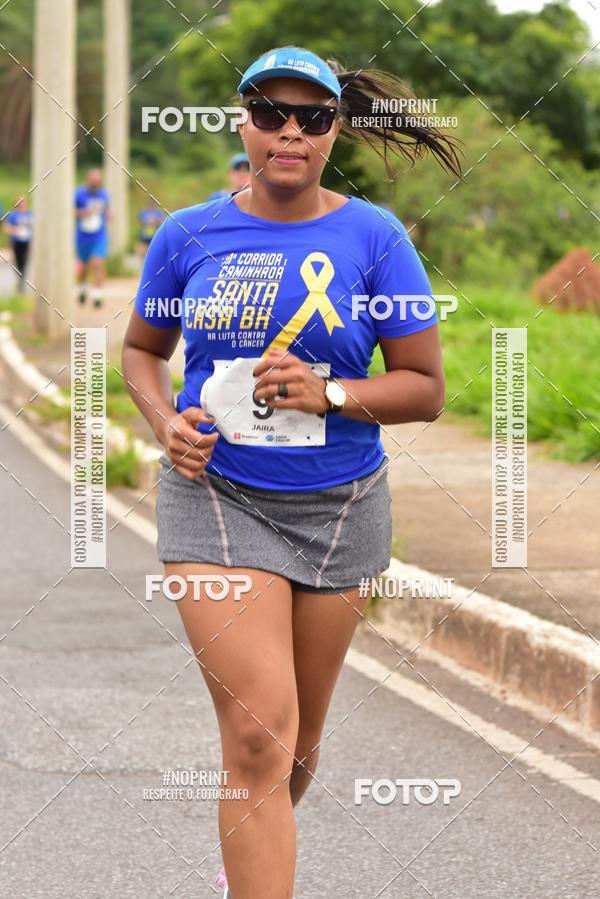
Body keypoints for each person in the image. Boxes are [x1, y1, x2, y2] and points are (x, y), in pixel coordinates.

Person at [123, 46, 462, 899]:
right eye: (271, 113)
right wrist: (167, 424)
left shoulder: (374, 239)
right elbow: (140, 349)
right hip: (217, 499)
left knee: (296, 746)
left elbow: (425, 388)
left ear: (334, 132)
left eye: (312, 118)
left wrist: (333, 390)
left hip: (340, 509)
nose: (290, 132)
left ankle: (249, 848)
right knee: (258, 740)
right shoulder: (188, 233)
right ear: (243, 121)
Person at [75, 168, 110, 308]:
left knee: (97, 262)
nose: (96, 183)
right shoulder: (79, 194)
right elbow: (70, 212)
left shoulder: (104, 194)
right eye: (94, 181)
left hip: (99, 236)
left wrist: (108, 214)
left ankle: (97, 295)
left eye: (98, 181)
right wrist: (84, 213)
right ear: (87, 180)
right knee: (83, 267)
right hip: (82, 236)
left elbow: (106, 209)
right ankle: (83, 288)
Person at [2, 196, 33, 293]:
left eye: (24, 202)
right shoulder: (13, 215)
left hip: (27, 242)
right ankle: (20, 280)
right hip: (17, 242)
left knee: (25, 261)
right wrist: (15, 231)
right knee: (19, 261)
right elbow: (6, 227)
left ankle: (22, 280)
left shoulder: (30, 214)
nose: (22, 204)